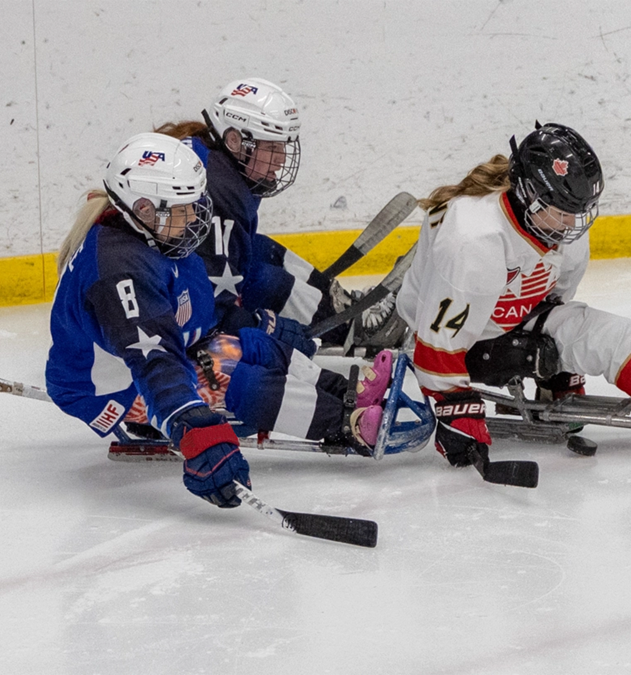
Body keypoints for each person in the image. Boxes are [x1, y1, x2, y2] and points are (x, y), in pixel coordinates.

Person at [395, 122, 631, 469]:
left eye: (577, 211)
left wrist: (556, 367)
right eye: (561, 212)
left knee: (616, 334)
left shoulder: (560, 222)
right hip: (450, 341)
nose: (572, 223)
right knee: (531, 343)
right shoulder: (475, 242)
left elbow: (551, 299)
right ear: (529, 196)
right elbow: (436, 345)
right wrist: (454, 409)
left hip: (506, 318)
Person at [45, 133, 391, 507]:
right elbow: (154, 363)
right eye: (184, 208)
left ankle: (347, 393)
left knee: (256, 345)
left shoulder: (155, 236)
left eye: (196, 203)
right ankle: (346, 423)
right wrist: (193, 426)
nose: (196, 217)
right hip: (115, 386)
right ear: (144, 208)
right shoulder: (121, 273)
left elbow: (191, 314)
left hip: (169, 350)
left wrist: (248, 325)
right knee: (239, 382)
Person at [153, 77, 407, 351]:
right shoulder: (221, 191)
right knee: (266, 281)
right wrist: (264, 326)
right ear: (235, 140)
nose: (282, 158)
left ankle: (340, 306)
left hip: (167, 288)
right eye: (272, 147)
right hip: (168, 312)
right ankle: (348, 329)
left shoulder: (212, 158)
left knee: (259, 248)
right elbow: (214, 306)